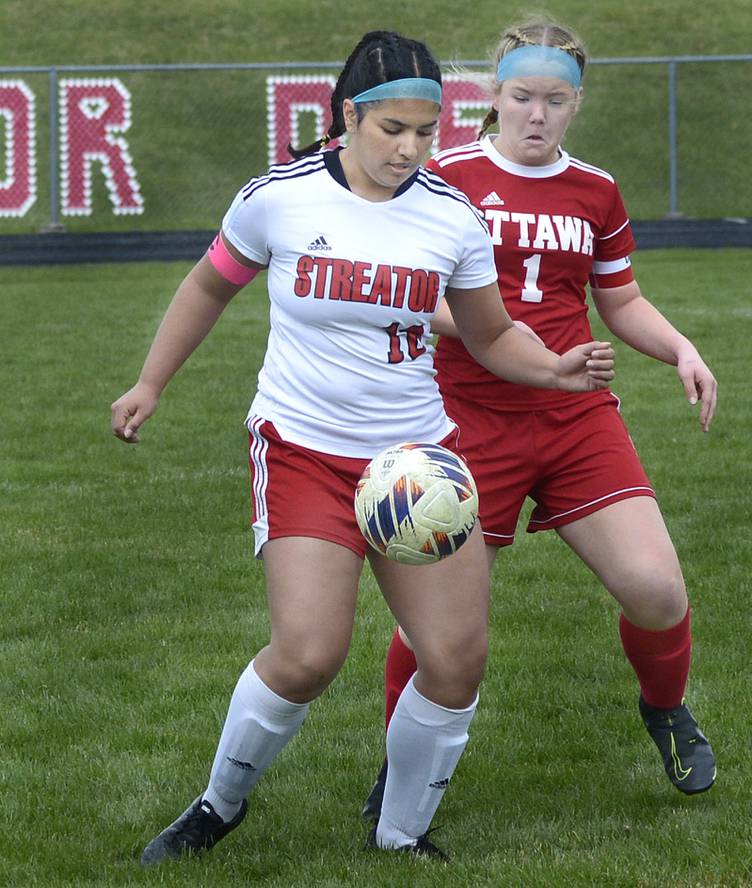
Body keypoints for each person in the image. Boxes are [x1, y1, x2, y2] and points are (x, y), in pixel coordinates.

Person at [111, 30, 615, 866]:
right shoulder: (278, 197)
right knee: (309, 654)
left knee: (456, 661)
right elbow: (208, 284)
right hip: (304, 448)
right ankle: (218, 804)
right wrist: (150, 382)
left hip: (417, 464)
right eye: (393, 131)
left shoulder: (452, 215)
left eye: (426, 131)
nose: (412, 149)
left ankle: (401, 834)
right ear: (349, 116)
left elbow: (489, 336)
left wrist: (555, 368)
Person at [362, 16, 718, 823]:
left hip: (573, 416)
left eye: (555, 100)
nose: (536, 113)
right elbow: (409, 291)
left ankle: (665, 707)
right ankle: (401, 764)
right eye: (521, 95)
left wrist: (681, 349)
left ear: (575, 104)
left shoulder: (596, 190)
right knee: (437, 634)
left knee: (656, 588)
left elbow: (617, 300)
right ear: (494, 95)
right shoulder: (441, 177)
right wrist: (503, 343)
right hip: (463, 419)